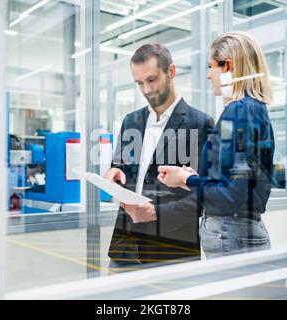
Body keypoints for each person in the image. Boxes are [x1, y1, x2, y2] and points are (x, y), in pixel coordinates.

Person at [158, 31, 275, 259]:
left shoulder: (239, 111)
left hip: (230, 229)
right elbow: (235, 181)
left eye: (212, 67)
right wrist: (193, 178)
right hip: (239, 229)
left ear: (228, 66)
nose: (210, 75)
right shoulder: (254, 109)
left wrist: (185, 179)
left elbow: (232, 194)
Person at [105, 44, 214, 268]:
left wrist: (156, 214)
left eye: (151, 79)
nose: (146, 90)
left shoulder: (200, 124)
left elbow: (206, 195)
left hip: (171, 250)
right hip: (124, 247)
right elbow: (119, 165)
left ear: (171, 72)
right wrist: (114, 171)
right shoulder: (131, 121)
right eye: (139, 83)